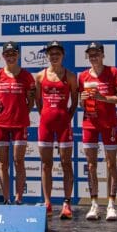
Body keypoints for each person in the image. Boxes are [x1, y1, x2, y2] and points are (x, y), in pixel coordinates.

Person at [77, 42, 117, 222]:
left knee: (111, 163)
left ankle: (111, 205)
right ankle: (94, 204)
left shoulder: (113, 72)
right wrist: (82, 100)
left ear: (103, 55)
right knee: (91, 165)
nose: (93, 57)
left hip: (109, 124)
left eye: (96, 53)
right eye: (90, 54)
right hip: (89, 123)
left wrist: (102, 97)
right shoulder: (82, 76)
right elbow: (81, 103)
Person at [35, 41, 78, 219]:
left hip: (63, 124)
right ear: (47, 56)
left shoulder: (70, 76)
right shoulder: (39, 76)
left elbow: (75, 100)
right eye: (51, 54)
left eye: (57, 54)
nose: (54, 56)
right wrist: (45, 114)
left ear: (62, 56)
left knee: (66, 163)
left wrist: (67, 116)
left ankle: (67, 202)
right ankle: (47, 202)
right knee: (46, 165)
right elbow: (38, 101)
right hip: (45, 123)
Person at [0, 41, 35, 205]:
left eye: (13, 53)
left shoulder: (27, 76)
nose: (10, 57)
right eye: (7, 54)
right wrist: (3, 114)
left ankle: (19, 198)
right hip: (1, 124)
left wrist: (21, 113)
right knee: (3, 163)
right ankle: (6, 198)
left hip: (20, 124)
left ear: (18, 55)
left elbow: (31, 102)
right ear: (3, 56)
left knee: (19, 161)